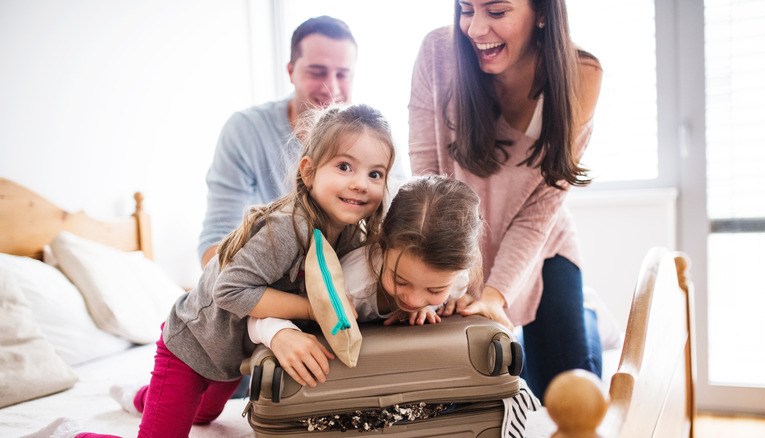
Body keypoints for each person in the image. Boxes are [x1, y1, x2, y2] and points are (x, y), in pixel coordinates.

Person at [35, 103, 396, 438]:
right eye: (345, 167)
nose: (360, 183)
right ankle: (69, 432)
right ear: (309, 171)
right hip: (191, 345)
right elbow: (230, 291)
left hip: (233, 355)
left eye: (375, 173)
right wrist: (313, 308)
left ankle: (140, 398)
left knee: (204, 418)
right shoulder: (288, 228)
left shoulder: (350, 233)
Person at [407, 0, 604, 399]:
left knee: (566, 391)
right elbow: (427, 178)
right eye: (466, 9)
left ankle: (588, 312)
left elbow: (539, 213)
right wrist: (447, 275)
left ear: (543, 13)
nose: (476, 29)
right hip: (459, 242)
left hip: (541, 245)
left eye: (497, 12)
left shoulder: (580, 75)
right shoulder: (438, 54)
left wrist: (495, 295)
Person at [247, 175, 484, 387]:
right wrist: (279, 333)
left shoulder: (457, 279)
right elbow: (255, 313)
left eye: (435, 289)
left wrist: (437, 305)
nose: (413, 299)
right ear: (383, 243)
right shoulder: (352, 285)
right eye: (400, 281)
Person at [198, 15, 359, 269]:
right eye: (317, 72)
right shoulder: (245, 131)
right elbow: (215, 246)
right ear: (291, 72)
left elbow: (398, 219)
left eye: (342, 74)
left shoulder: (372, 137)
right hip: (266, 285)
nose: (331, 87)